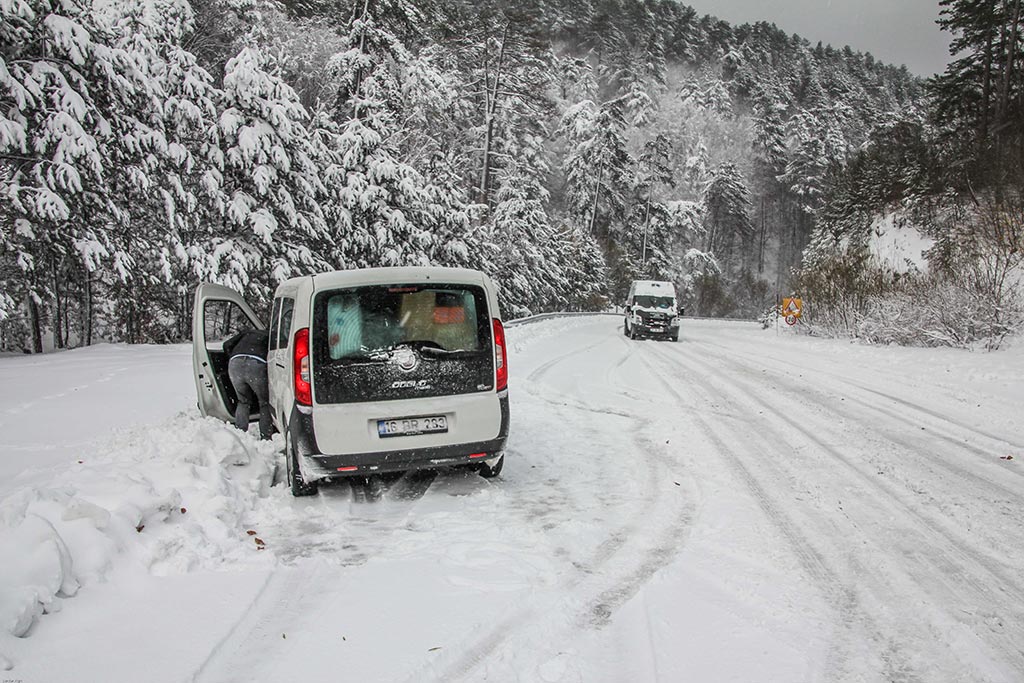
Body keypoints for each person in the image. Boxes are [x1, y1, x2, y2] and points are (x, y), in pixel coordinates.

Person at [222, 328, 272, 439]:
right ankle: (266, 437)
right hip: (256, 363)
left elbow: (226, 345)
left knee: (243, 401)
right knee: (264, 402)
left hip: (235, 363)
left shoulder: (248, 332)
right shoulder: (270, 336)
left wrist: (233, 356)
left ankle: (240, 434)